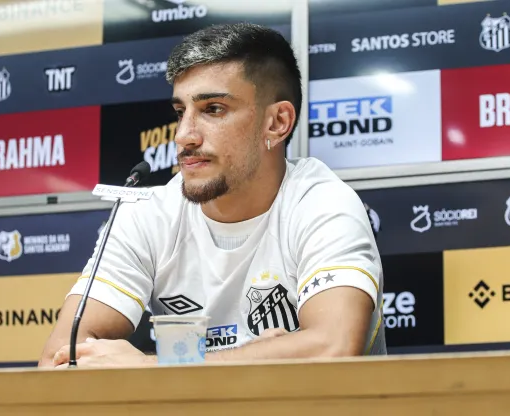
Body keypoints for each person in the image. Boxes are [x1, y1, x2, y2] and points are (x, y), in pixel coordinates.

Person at [40, 22, 385, 368]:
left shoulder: (321, 203)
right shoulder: (147, 216)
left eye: (213, 109)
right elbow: (58, 359)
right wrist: (268, 357)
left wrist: (154, 369)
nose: (184, 136)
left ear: (277, 122)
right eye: (180, 112)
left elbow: (334, 346)